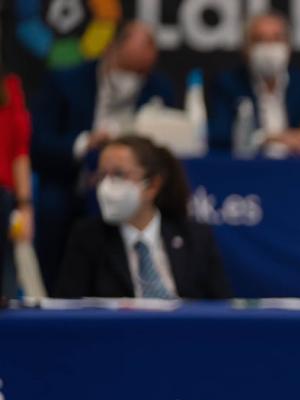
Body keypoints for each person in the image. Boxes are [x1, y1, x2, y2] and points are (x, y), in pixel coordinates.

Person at [30, 20, 175, 291]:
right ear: (111, 50)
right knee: (53, 207)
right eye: (127, 68)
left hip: (132, 181)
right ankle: (53, 294)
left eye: (140, 72)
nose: (133, 78)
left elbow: (168, 142)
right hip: (73, 182)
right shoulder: (66, 81)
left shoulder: (158, 87)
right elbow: (39, 143)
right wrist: (85, 142)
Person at [55, 135, 231, 300]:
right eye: (101, 176)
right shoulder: (88, 238)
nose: (107, 186)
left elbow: (222, 308)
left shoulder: (195, 236)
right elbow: (69, 310)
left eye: (118, 175)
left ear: (153, 185)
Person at [208, 12, 300, 156]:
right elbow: (218, 135)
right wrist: (267, 138)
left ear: (288, 46)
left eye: (276, 39)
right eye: (259, 40)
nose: (269, 48)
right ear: (246, 48)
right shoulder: (229, 84)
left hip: (296, 170)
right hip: (250, 170)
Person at [0, 68, 33, 299]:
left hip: (3, 198)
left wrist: (25, 206)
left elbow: (19, 151)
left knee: (7, 287)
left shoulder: (9, 86)